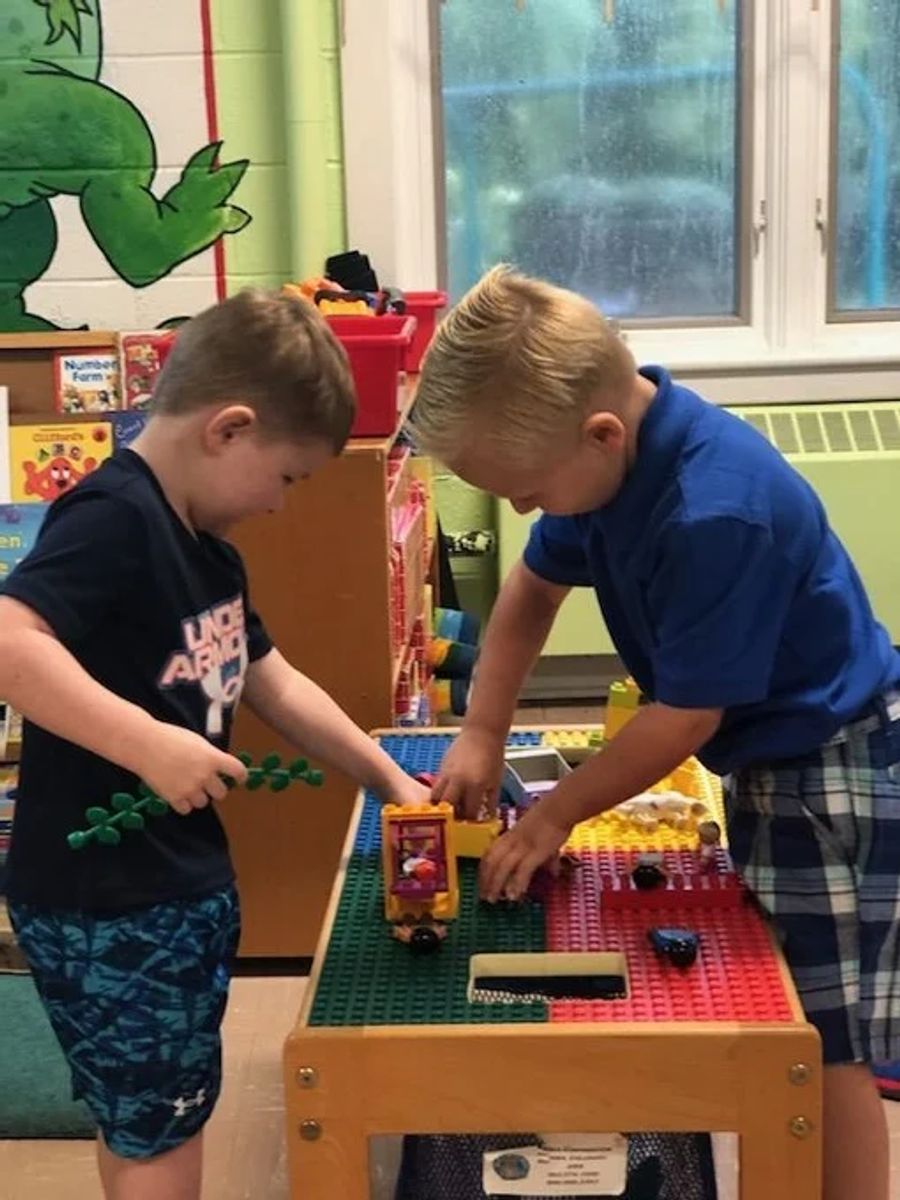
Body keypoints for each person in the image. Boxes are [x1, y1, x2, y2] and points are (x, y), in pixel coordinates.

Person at [410, 265, 900, 1200]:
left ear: (601, 435)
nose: (523, 510)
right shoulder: (613, 466)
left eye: (526, 490)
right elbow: (532, 589)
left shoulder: (715, 511)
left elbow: (685, 715)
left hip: (831, 769)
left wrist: (554, 814)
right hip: (773, 759)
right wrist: (481, 730)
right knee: (804, 1029)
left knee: (820, 1045)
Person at [0, 289, 428, 1200]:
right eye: (287, 478)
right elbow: (8, 640)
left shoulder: (206, 550)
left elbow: (274, 682)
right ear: (229, 429)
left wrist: (392, 779)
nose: (279, 505)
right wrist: (149, 745)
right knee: (161, 1127)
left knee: (147, 1114)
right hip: (110, 899)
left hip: (167, 885)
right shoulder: (115, 518)